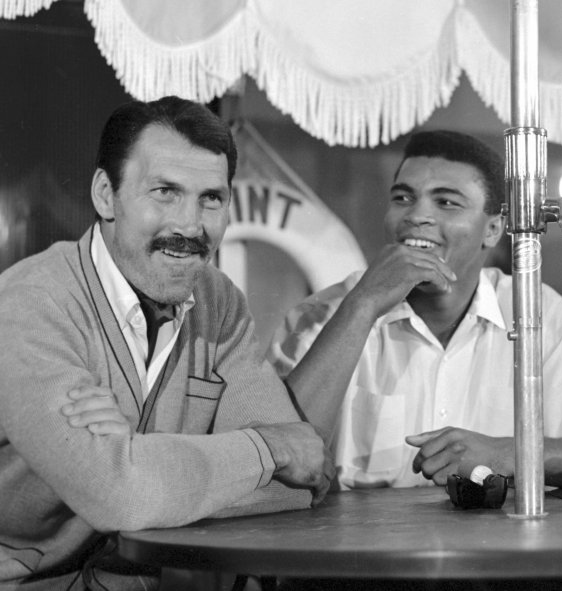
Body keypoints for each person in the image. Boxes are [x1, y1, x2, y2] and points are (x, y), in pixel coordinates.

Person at [0, 96, 332, 591]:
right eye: (165, 192)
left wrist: (132, 457)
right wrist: (264, 450)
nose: (189, 226)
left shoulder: (218, 300)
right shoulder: (30, 305)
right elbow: (119, 496)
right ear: (105, 195)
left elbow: (300, 484)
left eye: (210, 198)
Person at [270, 129, 562, 490]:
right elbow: (275, 453)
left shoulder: (535, 309)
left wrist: (511, 454)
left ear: (493, 230)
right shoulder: (324, 313)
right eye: (402, 198)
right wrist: (363, 306)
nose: (417, 216)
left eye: (446, 202)